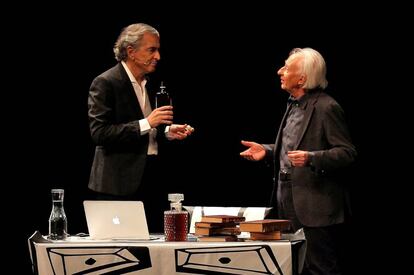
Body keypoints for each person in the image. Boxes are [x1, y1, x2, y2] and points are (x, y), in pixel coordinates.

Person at [240, 47, 356, 275]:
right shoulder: (292, 105)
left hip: (315, 206)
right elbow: (291, 149)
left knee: (319, 268)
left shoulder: (326, 107)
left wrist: (312, 158)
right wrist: (267, 151)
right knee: (290, 266)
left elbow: (347, 153)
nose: (279, 71)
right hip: (286, 200)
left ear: (302, 78)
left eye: (286, 67)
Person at [88, 23, 193, 232]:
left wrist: (167, 132)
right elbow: (99, 133)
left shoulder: (150, 83)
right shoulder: (106, 82)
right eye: (151, 50)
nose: (158, 56)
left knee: (153, 248)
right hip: (117, 185)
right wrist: (148, 123)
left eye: (158, 50)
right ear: (131, 52)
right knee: (120, 251)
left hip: (150, 179)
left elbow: (148, 129)